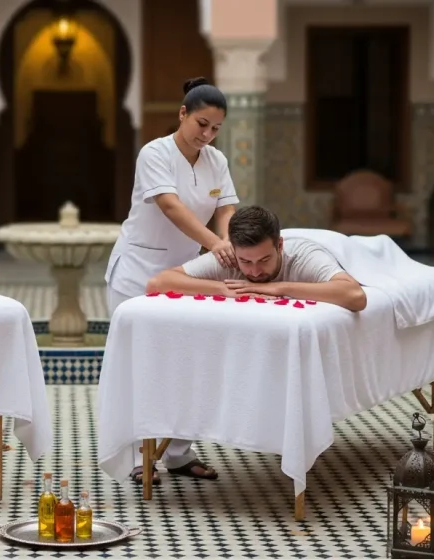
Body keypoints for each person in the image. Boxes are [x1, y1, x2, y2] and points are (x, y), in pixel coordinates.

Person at [103, 77, 239, 486]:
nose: (207, 134)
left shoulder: (216, 160)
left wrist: (229, 242)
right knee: (136, 364)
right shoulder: (155, 153)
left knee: (186, 360)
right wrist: (216, 245)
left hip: (186, 274)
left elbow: (227, 207)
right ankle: (130, 456)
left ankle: (178, 453)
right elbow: (171, 207)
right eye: (201, 124)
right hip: (137, 270)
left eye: (216, 128)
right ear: (182, 114)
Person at [146, 205, 368, 312]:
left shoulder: (303, 256)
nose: (254, 272)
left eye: (263, 260)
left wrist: (278, 287)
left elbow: (355, 295)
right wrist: (222, 289)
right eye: (246, 262)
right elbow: (158, 283)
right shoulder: (230, 258)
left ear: (279, 246)